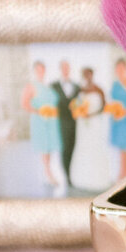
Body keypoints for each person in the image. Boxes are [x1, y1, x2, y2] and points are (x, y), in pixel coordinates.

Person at [20, 60, 62, 193]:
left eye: (43, 69)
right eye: (38, 69)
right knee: (44, 148)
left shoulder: (47, 85)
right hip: (40, 120)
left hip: (50, 121)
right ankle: (48, 175)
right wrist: (39, 111)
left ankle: (46, 174)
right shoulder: (31, 86)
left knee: (49, 148)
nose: (41, 72)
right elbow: (24, 104)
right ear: (34, 71)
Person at [69, 66, 112, 193]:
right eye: (84, 74)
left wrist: (91, 114)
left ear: (92, 75)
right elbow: (75, 104)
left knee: (95, 146)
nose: (87, 77)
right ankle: (82, 178)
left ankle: (97, 178)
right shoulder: (80, 90)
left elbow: (104, 107)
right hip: (82, 124)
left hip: (94, 123)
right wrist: (79, 112)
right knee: (83, 146)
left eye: (89, 74)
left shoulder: (98, 89)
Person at [51, 59, 81, 188]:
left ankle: (73, 173)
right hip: (61, 121)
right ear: (60, 69)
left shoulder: (77, 86)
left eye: (67, 67)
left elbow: (81, 102)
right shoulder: (54, 86)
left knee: (73, 146)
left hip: (75, 122)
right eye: (63, 67)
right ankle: (66, 176)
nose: (65, 70)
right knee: (64, 148)